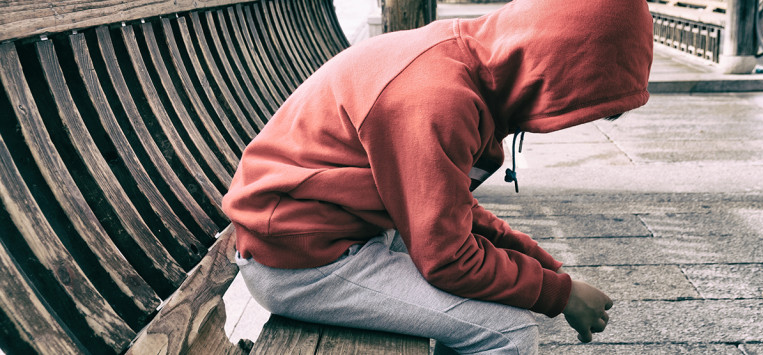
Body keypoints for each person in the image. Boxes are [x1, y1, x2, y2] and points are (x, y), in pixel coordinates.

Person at [223, 0, 653, 352]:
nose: (578, 120)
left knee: (493, 307)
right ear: (561, 67)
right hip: (301, 262)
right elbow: (448, 261)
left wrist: (555, 275)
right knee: (509, 336)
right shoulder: (436, 101)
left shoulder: (462, 61)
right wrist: (558, 294)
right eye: (591, 103)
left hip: (337, 231)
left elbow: (452, 213)